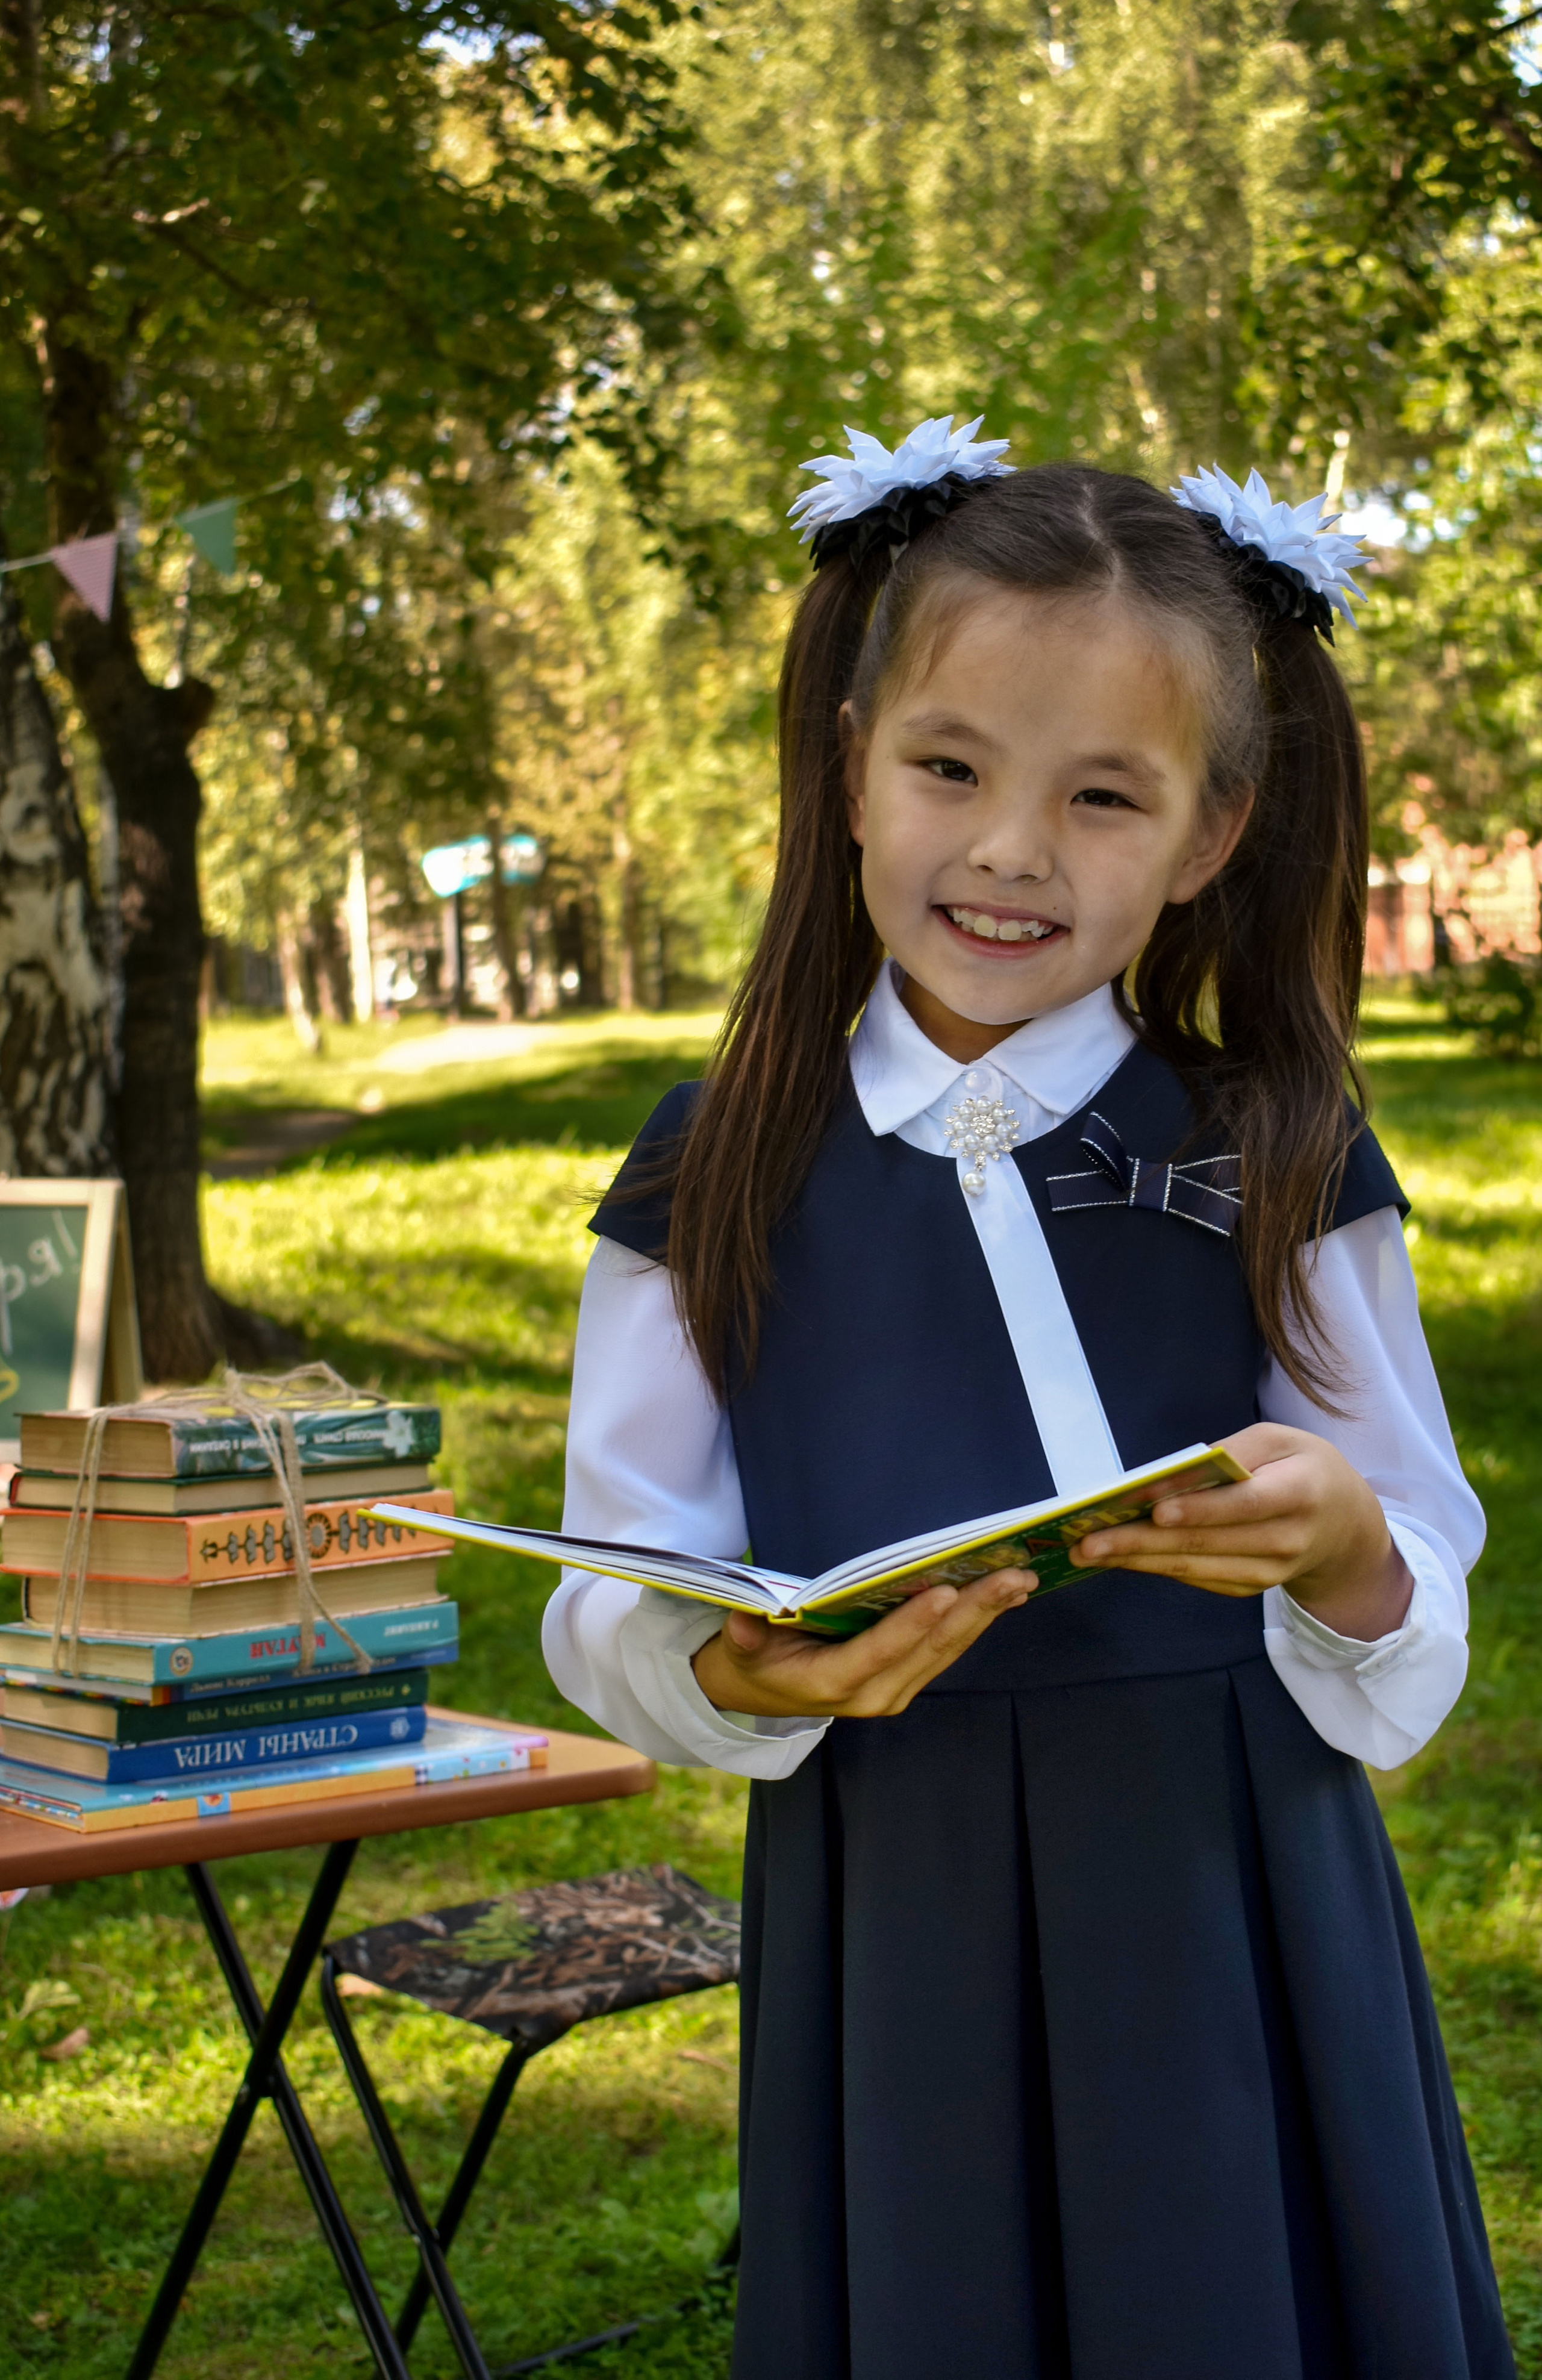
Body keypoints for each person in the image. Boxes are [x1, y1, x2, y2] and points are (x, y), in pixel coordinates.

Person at [543, 425, 1513, 2380]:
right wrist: (729, 1674)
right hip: (896, 1899)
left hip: (1237, 1893)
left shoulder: (1284, 1150)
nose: (1009, 852)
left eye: (1101, 797)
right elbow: (607, 1576)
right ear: (850, 767)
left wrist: (1341, 1549)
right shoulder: (711, 1166)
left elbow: (1416, 1593)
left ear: (1210, 835)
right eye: (951, 770)